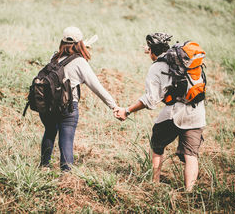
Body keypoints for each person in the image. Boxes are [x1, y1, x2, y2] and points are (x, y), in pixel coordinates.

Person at [114, 33, 206, 191]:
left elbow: (151, 100)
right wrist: (151, 50)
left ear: (151, 51)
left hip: (174, 113)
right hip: (197, 113)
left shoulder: (157, 67)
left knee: (157, 145)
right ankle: (189, 192)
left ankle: (154, 183)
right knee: (191, 155)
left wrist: (127, 111)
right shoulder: (184, 59)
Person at [39, 26, 118, 171]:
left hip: (48, 106)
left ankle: (44, 166)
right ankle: (66, 174)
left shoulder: (54, 57)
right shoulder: (80, 62)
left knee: (49, 132)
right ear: (79, 44)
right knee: (67, 140)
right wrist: (114, 106)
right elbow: (96, 86)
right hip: (67, 107)